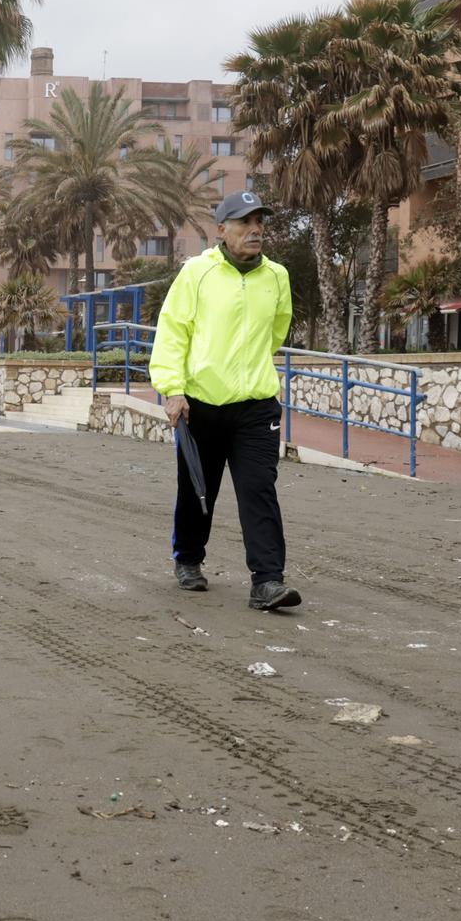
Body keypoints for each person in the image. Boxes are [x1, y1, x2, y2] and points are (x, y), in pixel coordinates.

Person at [147, 191, 302, 612]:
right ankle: (188, 560)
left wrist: (249, 368)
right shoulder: (197, 273)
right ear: (222, 230)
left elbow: (277, 331)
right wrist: (173, 388)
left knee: (259, 491)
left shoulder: (277, 276)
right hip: (201, 405)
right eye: (244, 223)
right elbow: (173, 330)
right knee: (199, 489)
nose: (255, 230)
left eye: (260, 223)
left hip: (256, 406)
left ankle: (268, 581)